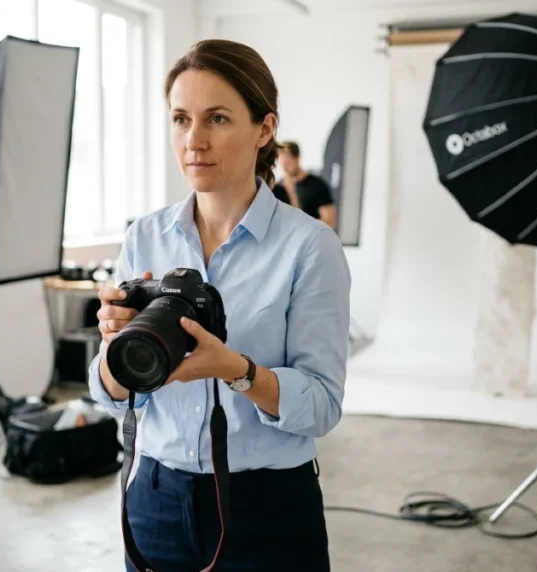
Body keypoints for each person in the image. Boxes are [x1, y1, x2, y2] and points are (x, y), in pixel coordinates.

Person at [87, 38, 350, 571]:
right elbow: (108, 393)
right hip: (155, 499)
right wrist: (116, 348)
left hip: (268, 508)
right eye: (181, 119)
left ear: (265, 129)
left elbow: (321, 405)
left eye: (218, 119)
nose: (194, 141)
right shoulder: (145, 237)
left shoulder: (309, 247)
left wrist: (237, 371)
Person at [272, 141, 337, 229]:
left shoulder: (317, 185)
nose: (285, 169)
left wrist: (292, 192)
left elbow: (329, 222)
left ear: (297, 158)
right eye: (282, 164)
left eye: (287, 163)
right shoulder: (278, 188)